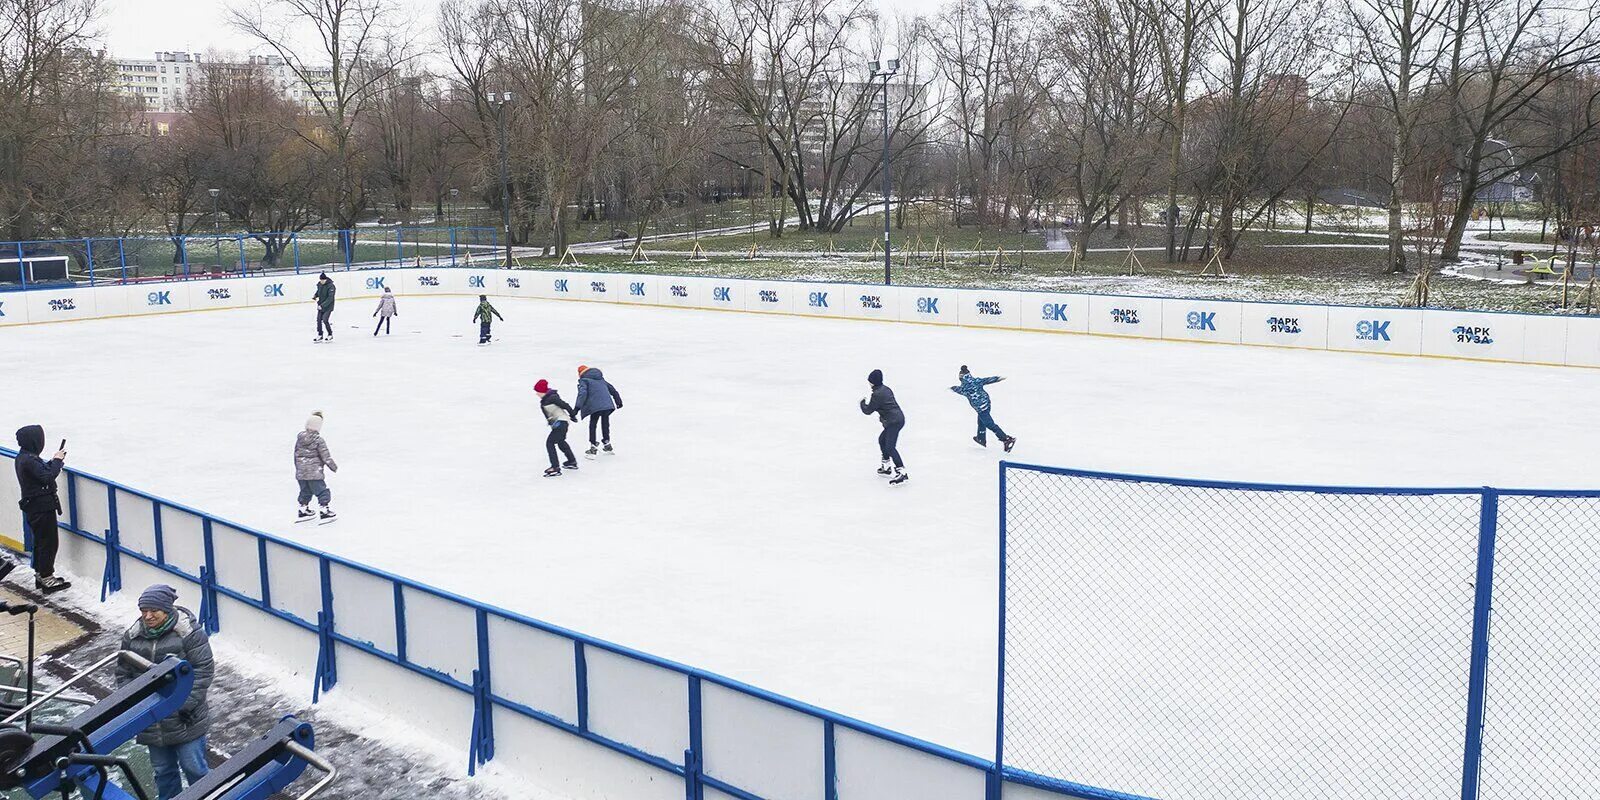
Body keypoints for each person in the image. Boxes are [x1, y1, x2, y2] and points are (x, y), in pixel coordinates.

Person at [117, 585, 214, 800]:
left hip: (185, 717)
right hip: (151, 718)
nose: (147, 616)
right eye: (144, 611)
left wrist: (184, 704)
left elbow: (203, 671)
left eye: (154, 611)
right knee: (163, 772)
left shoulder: (189, 634)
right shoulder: (133, 637)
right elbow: (123, 673)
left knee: (194, 768)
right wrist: (137, 704)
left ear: (167, 610)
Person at [12, 426, 69, 592]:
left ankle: (42, 574)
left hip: (36, 505)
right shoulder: (29, 460)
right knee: (48, 542)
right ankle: (46, 577)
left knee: (42, 541)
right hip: (41, 507)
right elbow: (46, 477)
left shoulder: (25, 457)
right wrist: (57, 461)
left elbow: (41, 473)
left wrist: (53, 462)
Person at [951, 365, 1016, 452]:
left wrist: (951, 388)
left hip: (981, 408)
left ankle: (1006, 439)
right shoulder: (976, 381)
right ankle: (981, 438)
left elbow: (958, 389)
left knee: (989, 424)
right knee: (981, 421)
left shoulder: (964, 388)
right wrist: (998, 378)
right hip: (987, 403)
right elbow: (988, 380)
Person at [859, 369, 908, 485]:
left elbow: (868, 410)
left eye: (870, 381)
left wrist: (862, 403)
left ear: (873, 382)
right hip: (897, 419)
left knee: (890, 447)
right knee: (882, 440)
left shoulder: (877, 394)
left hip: (893, 422)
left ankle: (902, 472)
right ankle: (886, 467)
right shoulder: (885, 389)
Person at [294, 411, 338, 522]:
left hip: (301, 473)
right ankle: (324, 511)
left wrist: (299, 469)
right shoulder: (318, 440)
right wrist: (333, 467)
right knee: (322, 491)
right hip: (314, 472)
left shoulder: (300, 439)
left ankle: (303, 510)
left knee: (305, 491)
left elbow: (296, 455)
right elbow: (325, 456)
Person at [574, 365, 623, 457]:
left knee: (593, 424)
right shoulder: (600, 379)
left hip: (595, 406)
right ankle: (607, 443)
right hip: (607, 405)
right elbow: (612, 389)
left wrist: (577, 407)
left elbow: (582, 394)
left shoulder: (584, 380)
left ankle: (593, 446)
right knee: (605, 422)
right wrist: (618, 400)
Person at [536, 379, 579, 477]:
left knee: (550, 443)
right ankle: (571, 461)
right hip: (559, 423)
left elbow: (565, 405)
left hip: (561, 423)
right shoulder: (546, 399)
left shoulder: (552, 398)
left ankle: (555, 467)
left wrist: (573, 415)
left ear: (542, 391)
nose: (537, 394)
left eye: (538, 392)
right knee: (561, 442)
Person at [313, 272, 337, 343]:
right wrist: (315, 295)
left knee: (325, 320)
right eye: (320, 280)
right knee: (318, 320)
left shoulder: (331, 286)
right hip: (320, 305)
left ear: (325, 279)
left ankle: (330, 334)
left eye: (323, 280)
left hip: (328, 306)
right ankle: (320, 334)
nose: (321, 282)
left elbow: (330, 298)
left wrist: (322, 305)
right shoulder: (320, 284)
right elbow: (319, 291)